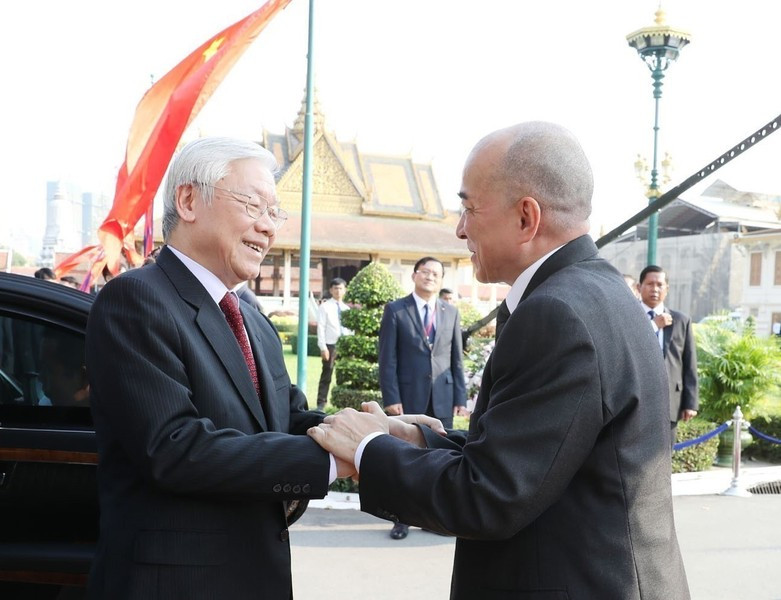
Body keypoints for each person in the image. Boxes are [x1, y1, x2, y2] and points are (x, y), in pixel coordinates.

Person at [309, 121, 690, 598]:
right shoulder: (599, 292)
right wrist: (421, 441)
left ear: (526, 217)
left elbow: (488, 496)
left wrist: (367, 448)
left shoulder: (558, 313)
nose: (459, 228)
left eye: (469, 208)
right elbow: (541, 453)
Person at [85, 137, 354, 599]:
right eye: (254, 205)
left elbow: (286, 420)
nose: (268, 228)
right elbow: (175, 448)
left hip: (257, 574)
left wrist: (372, 435)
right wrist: (334, 458)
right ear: (188, 200)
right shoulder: (135, 300)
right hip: (176, 583)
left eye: (275, 214)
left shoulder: (251, 317)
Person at [378, 256, 467, 540]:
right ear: (414, 276)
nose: (430, 277)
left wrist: (460, 396)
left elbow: (456, 359)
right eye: (425, 272)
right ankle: (401, 517)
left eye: (436, 274)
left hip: (443, 395)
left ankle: (431, 517)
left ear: (441, 280)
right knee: (405, 458)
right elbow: (387, 358)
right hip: (408, 397)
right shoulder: (395, 310)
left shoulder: (450, 312)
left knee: (440, 457)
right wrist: (391, 396)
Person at [637, 265, 699, 439]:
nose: (655, 289)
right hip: (637, 400)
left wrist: (690, 403)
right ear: (639, 287)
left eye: (660, 285)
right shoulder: (629, 316)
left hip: (670, 401)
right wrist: (653, 325)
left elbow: (689, 363)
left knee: (665, 456)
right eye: (650, 284)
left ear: (667, 289)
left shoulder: (681, 320)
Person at [316, 277, 351, 410]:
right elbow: (321, 327)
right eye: (335, 288)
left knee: (344, 375)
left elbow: (350, 329)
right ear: (331, 290)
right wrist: (323, 347)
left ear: (345, 290)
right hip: (330, 346)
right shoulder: (325, 307)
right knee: (327, 374)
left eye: (340, 288)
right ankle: (321, 403)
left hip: (345, 346)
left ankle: (343, 403)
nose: (338, 291)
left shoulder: (347, 309)